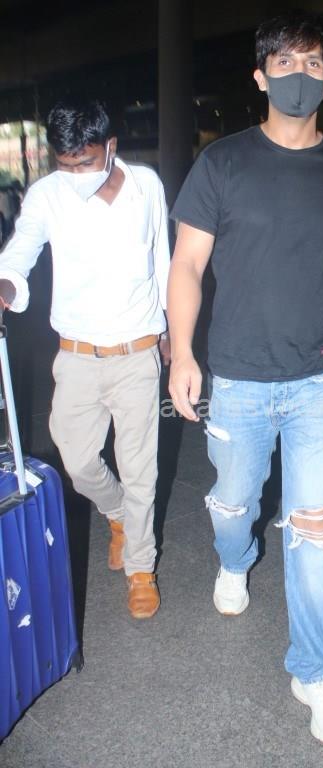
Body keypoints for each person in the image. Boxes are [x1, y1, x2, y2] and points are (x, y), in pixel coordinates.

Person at [168, 11, 323, 745]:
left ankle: (313, 669)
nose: (299, 76)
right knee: (234, 503)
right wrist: (183, 353)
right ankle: (235, 559)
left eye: (312, 63)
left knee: (319, 532)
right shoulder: (222, 163)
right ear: (260, 76)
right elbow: (187, 265)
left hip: (322, 379)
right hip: (238, 378)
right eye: (284, 63)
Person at [0, 99, 170, 619]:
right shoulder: (47, 194)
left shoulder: (146, 186)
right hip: (76, 354)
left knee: (140, 469)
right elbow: (22, 247)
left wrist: (170, 330)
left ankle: (141, 567)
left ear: (109, 147)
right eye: (65, 164)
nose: (75, 175)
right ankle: (117, 513)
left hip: (137, 351)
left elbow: (162, 260)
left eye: (86, 163)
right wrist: (6, 284)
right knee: (75, 461)